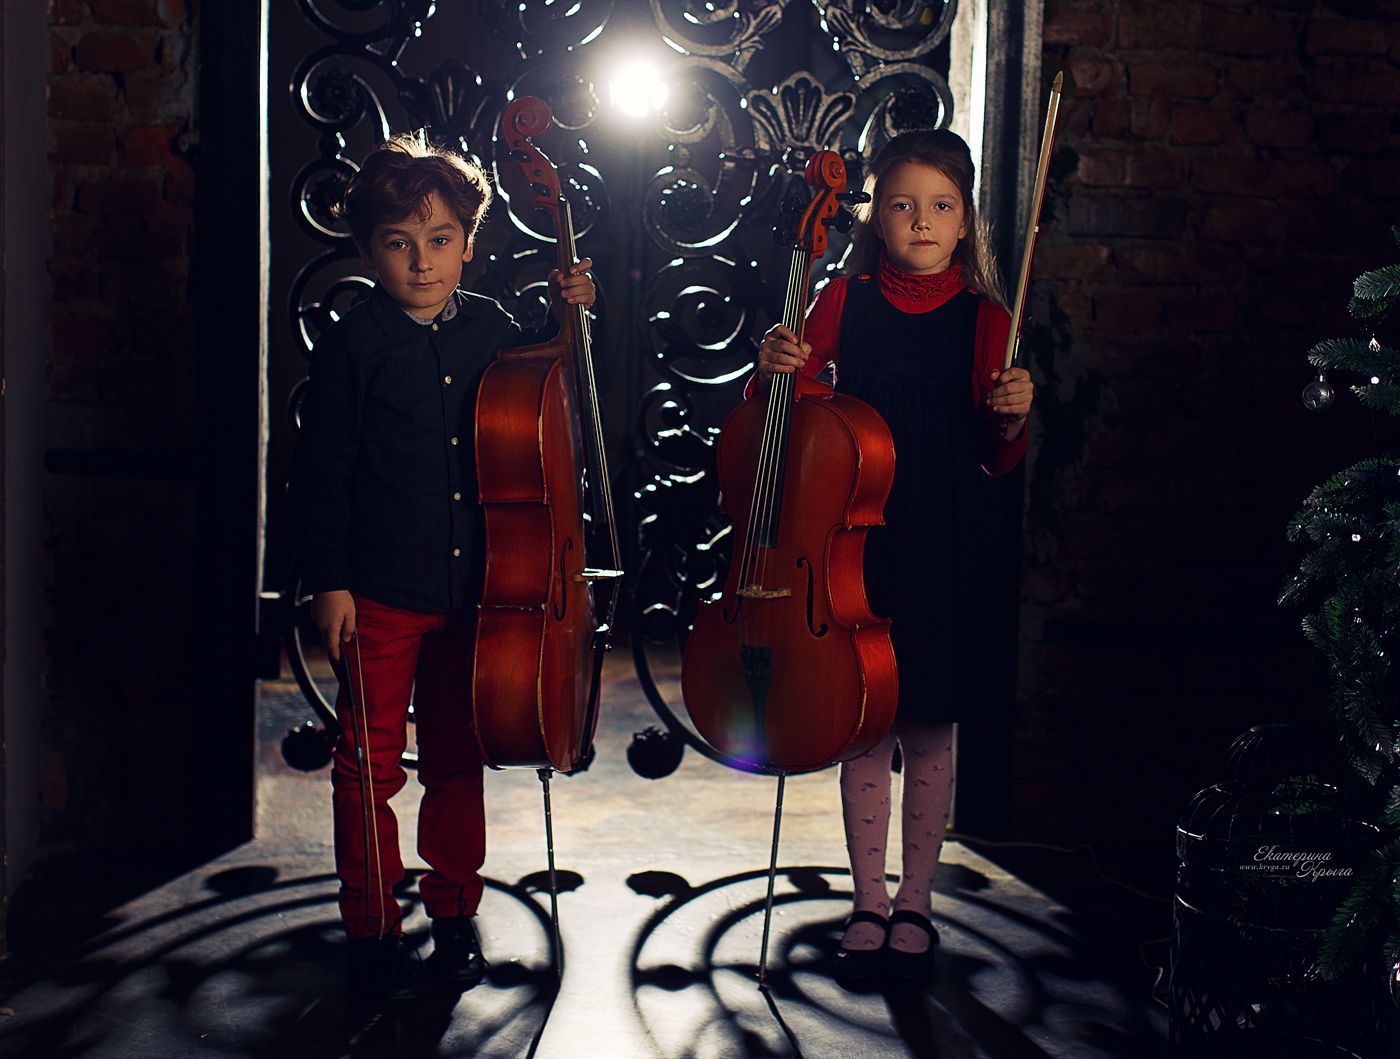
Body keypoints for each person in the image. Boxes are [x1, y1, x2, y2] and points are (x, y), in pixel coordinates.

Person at [290, 133, 596, 1000]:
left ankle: (455, 910)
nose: (422, 262)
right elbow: (321, 472)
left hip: (478, 594)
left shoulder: (496, 329)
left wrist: (576, 312)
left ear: (467, 240)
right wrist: (329, 580)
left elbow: (557, 390)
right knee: (368, 763)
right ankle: (371, 926)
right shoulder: (352, 342)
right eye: (398, 243)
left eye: (439, 239)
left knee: (456, 759)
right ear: (367, 250)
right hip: (379, 590)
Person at [756, 128, 1034, 980]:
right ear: (875, 217)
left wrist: (1013, 415)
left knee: (930, 726)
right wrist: (777, 370)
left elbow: (997, 456)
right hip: (857, 545)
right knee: (865, 724)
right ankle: (867, 899)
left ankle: (916, 898)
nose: (921, 220)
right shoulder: (843, 300)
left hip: (944, 545)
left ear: (965, 221)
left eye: (941, 206)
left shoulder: (989, 319)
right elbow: (795, 415)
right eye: (902, 204)